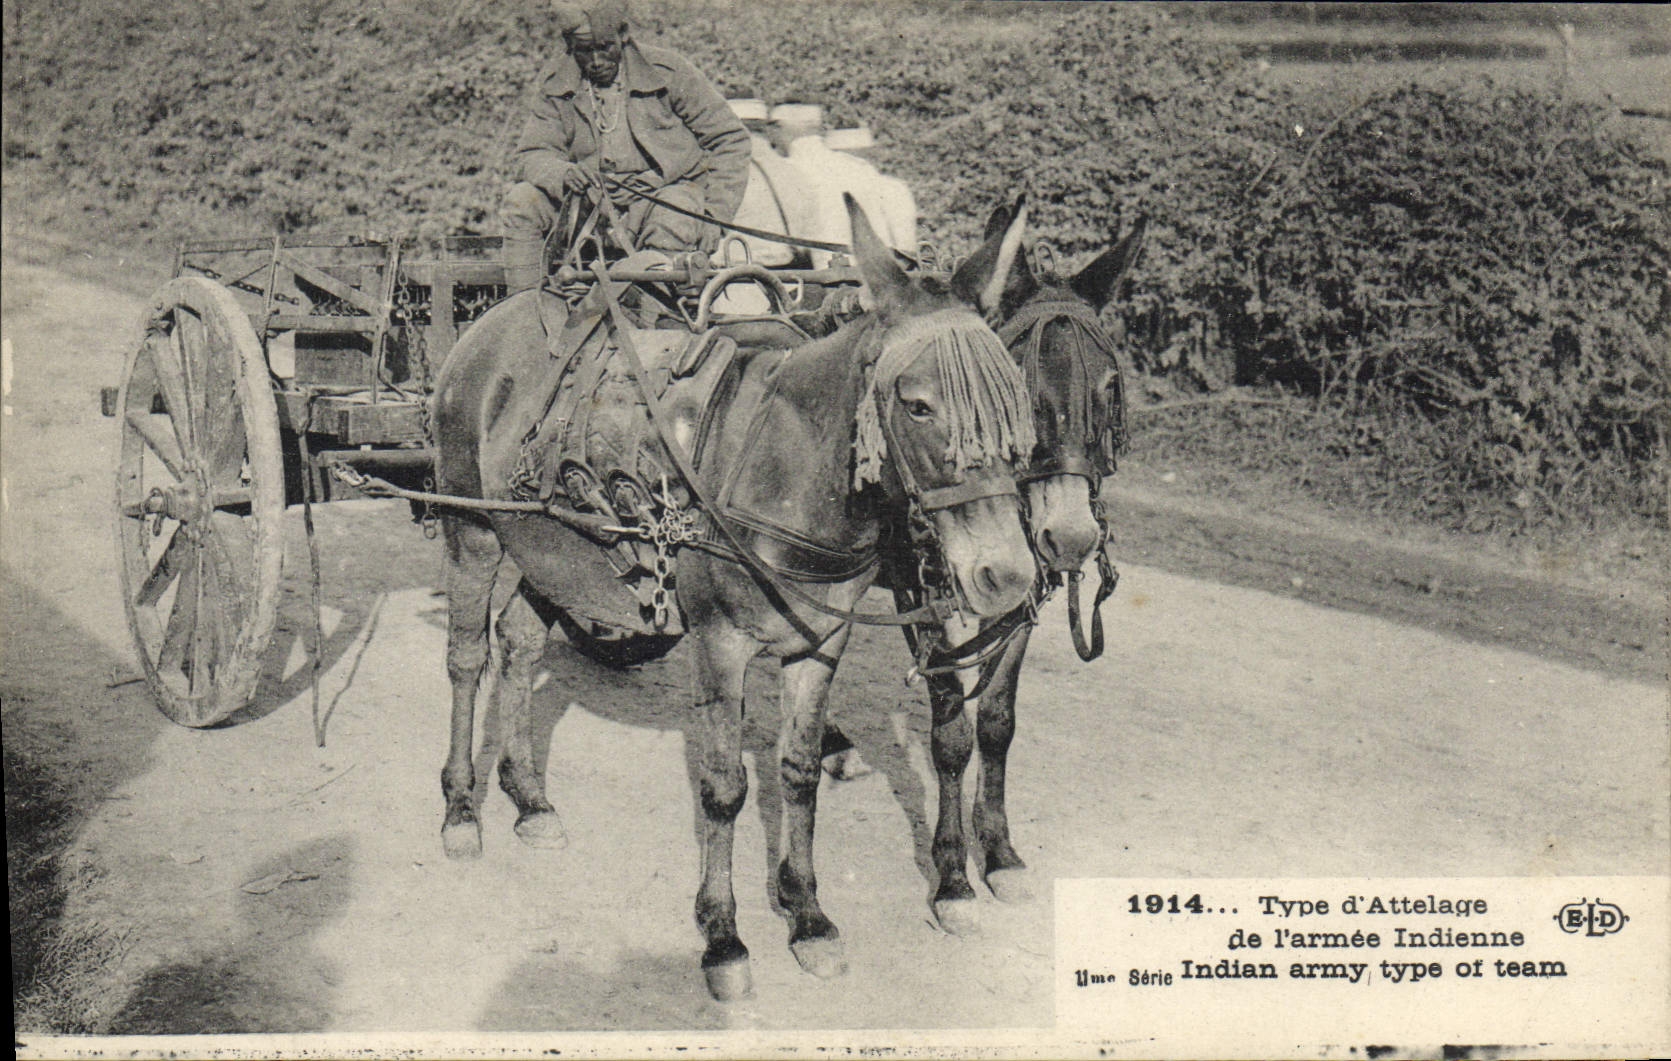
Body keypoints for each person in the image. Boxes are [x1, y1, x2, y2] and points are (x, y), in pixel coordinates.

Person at [500, 0, 752, 293]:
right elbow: (532, 154)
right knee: (522, 200)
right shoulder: (556, 83)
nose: (595, 60)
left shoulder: (668, 73)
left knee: (678, 210)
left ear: (623, 35)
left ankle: (654, 323)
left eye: (605, 47)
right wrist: (563, 173)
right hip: (587, 210)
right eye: (584, 51)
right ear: (568, 45)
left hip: (658, 202)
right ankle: (524, 316)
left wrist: (713, 218)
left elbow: (730, 139)